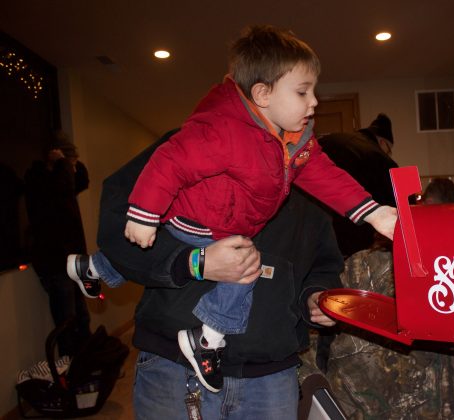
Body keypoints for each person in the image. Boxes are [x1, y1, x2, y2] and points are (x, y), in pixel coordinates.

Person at [67, 25, 397, 392]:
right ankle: (206, 340)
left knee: (239, 261)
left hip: (270, 364)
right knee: (243, 267)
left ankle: (94, 266)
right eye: (303, 92)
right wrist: (152, 221)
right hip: (192, 233)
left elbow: (325, 178)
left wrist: (373, 212)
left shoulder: (295, 147)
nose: (314, 102)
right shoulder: (219, 131)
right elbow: (168, 164)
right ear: (263, 94)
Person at [96, 130, 343, 419]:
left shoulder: (309, 167)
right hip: (174, 370)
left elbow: (324, 263)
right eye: (301, 91)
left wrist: (314, 296)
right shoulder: (194, 141)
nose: (312, 102)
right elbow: (118, 222)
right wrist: (193, 262)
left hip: (271, 381)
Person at [23, 135, 92, 357]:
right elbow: (63, 187)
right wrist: (62, 163)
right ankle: (71, 370)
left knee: (82, 317)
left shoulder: (63, 180)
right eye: (70, 161)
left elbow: (82, 181)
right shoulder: (39, 179)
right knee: (67, 323)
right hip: (55, 263)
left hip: (71, 262)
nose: (73, 167)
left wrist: (69, 163)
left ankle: (86, 363)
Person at [317, 113, 399, 257]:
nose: (388, 153)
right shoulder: (378, 156)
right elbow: (396, 201)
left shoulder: (332, 140)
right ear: (382, 142)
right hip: (348, 235)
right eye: (389, 149)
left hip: (312, 221)